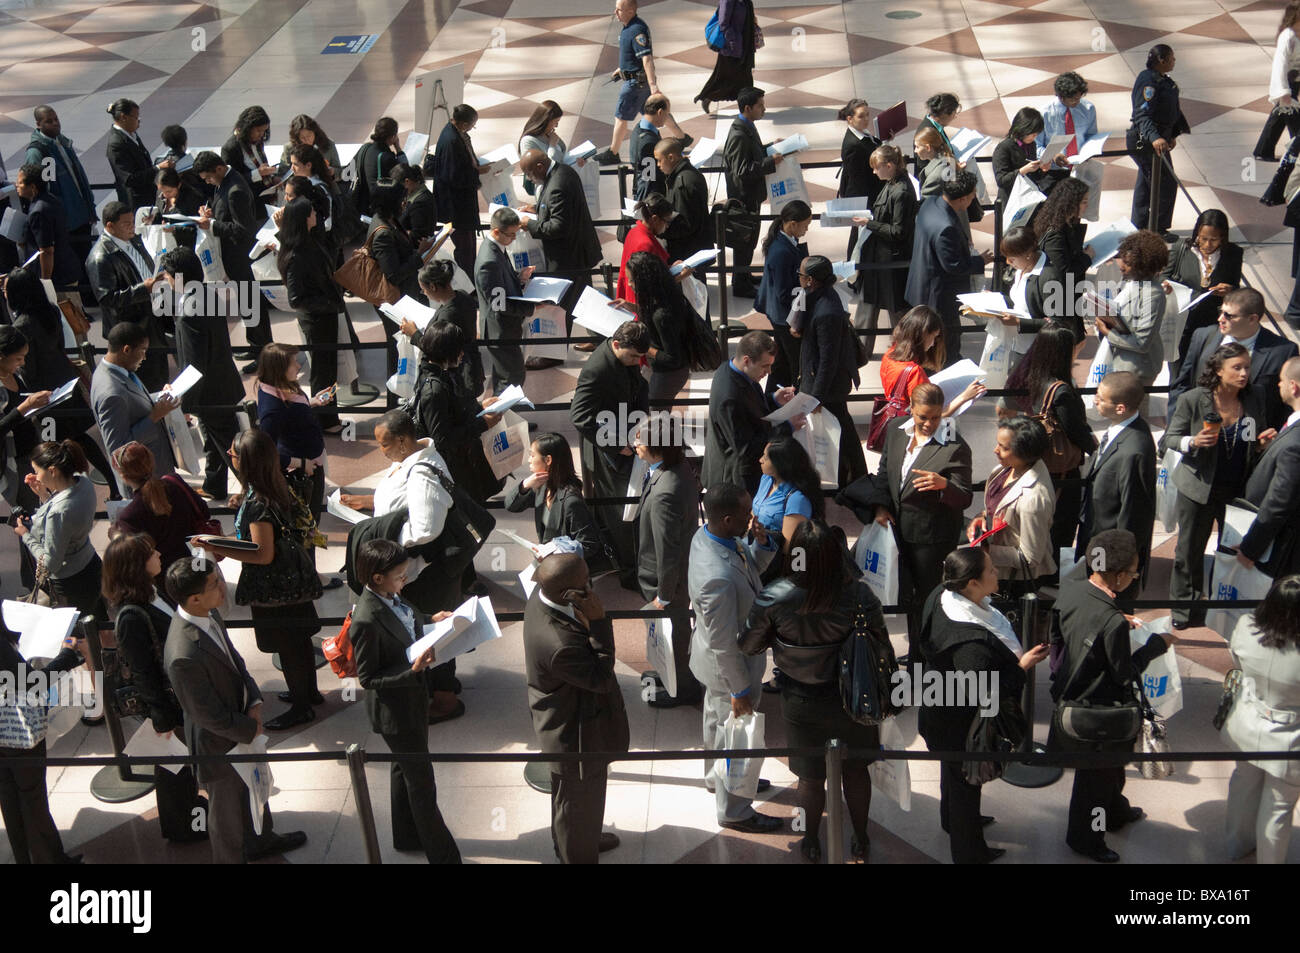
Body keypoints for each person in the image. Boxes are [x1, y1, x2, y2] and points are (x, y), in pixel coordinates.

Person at [741, 520, 886, 862]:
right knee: (855, 770)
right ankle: (861, 837)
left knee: (809, 776)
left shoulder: (774, 595)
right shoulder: (859, 595)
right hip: (854, 697)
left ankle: (810, 839)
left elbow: (748, 645)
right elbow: (879, 641)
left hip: (799, 700)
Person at [163, 557, 307, 864]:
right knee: (226, 819)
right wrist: (249, 728)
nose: (222, 588)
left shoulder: (209, 614)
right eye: (215, 584)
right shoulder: (182, 654)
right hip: (219, 746)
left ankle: (262, 840)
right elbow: (207, 715)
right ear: (194, 598)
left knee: (256, 791)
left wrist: (254, 699)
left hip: (241, 724)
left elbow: (234, 660)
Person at [1050, 528, 1175, 863]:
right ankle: (1088, 839)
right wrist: (1155, 647)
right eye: (1133, 573)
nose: (1134, 577)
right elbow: (1123, 672)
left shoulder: (1073, 590)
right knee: (1096, 782)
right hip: (1099, 712)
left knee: (1109, 771)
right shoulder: (1112, 623)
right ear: (1119, 576)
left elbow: (1059, 637)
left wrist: (1114, 618)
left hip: (1069, 695)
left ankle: (1116, 812)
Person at [920, 545, 1047, 864]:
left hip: (939, 711)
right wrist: (1022, 667)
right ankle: (970, 852)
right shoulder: (970, 643)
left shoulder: (942, 593)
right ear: (972, 583)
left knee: (953, 776)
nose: (996, 573)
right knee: (966, 785)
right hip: (960, 727)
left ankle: (952, 821)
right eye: (990, 570)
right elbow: (982, 691)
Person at [191, 430, 323, 731]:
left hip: (275, 588)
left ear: (247, 462)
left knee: (288, 646)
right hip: (295, 581)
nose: (228, 453)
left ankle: (302, 708)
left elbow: (262, 554)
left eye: (234, 453)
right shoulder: (278, 484)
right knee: (299, 641)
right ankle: (309, 693)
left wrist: (216, 545)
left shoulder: (258, 504)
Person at [338, 410, 465, 721]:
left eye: (383, 444)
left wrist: (385, 540)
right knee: (422, 626)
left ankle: (444, 697)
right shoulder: (408, 461)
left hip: (423, 573)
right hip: (412, 569)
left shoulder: (422, 472)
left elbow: (425, 528)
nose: (380, 451)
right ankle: (431, 685)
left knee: (432, 630)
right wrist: (368, 505)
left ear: (402, 441)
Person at [839, 383, 973, 661]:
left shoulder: (955, 445)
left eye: (936, 417)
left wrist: (944, 485)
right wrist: (879, 507)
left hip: (931, 540)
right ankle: (916, 654)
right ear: (911, 408)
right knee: (907, 599)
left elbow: (964, 497)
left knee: (926, 600)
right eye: (923, 416)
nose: (929, 423)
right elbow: (885, 473)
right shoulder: (897, 430)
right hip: (897, 531)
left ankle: (924, 659)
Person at [350, 539, 462, 863]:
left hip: (412, 703)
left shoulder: (391, 596)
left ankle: (406, 835)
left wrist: (431, 619)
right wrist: (412, 671)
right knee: (422, 786)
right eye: (400, 575)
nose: (406, 579)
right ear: (377, 578)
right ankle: (444, 856)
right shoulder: (366, 620)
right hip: (396, 714)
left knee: (403, 769)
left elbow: (407, 621)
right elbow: (368, 679)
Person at [101, 533, 208, 843]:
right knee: (172, 765)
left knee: (179, 762)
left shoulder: (150, 592)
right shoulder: (131, 615)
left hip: (174, 696)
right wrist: (161, 716)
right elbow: (142, 671)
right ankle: (180, 826)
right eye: (150, 553)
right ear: (136, 565)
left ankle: (188, 812)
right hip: (164, 702)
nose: (159, 553)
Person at [523, 552, 629, 862]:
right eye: (586, 584)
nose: (592, 588)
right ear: (567, 593)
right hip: (573, 731)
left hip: (574, 717)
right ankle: (577, 853)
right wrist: (598, 621)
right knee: (576, 800)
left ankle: (585, 838)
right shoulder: (559, 644)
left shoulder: (542, 594)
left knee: (583, 797)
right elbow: (601, 677)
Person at [688, 483, 782, 832]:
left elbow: (750, 571)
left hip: (714, 665)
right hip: (730, 668)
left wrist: (762, 543)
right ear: (727, 519)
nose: (751, 518)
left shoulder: (711, 536)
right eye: (746, 514)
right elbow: (723, 643)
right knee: (737, 734)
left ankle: (718, 778)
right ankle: (736, 810)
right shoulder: (717, 577)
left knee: (716, 724)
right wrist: (740, 691)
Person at [1161, 343, 1261, 629]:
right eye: (1237, 368)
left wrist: (1262, 443)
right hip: (1197, 487)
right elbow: (1169, 439)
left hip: (1236, 489)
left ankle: (1221, 608)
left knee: (1230, 551)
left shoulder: (1254, 399)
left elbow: (1253, 435)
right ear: (1218, 371)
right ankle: (1183, 611)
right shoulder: (1194, 399)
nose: (1243, 374)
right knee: (1189, 551)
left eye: (1246, 368)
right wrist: (1192, 442)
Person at [4, 269, 114, 487]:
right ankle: (111, 481)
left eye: (6, 289)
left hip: (45, 398)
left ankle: (67, 487)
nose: (4, 293)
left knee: (52, 445)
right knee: (79, 437)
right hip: (65, 383)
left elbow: (28, 368)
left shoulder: (22, 326)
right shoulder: (51, 311)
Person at [1222, 575, 1300, 862]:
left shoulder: (1246, 626)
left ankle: (1237, 847)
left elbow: (1236, 661)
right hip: (1291, 737)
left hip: (1247, 720)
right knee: (1279, 806)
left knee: (1243, 785)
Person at [159, 247, 244, 499]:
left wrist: (184, 400)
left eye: (168, 275)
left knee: (230, 447)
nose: (166, 280)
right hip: (222, 383)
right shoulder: (207, 294)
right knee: (213, 440)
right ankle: (214, 484)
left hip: (210, 394)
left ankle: (256, 491)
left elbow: (194, 365)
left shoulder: (188, 313)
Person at [570, 321, 650, 585]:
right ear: (616, 344)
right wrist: (617, 444)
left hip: (625, 435)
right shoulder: (598, 369)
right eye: (634, 356)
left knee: (627, 508)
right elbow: (580, 416)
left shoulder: (620, 359)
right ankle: (629, 573)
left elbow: (636, 387)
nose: (638, 361)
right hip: (610, 452)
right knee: (621, 513)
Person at [0, 614, 84, 864]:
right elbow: (33, 684)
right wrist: (67, 655)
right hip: (16, 732)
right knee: (31, 797)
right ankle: (49, 859)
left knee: (9, 797)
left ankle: (25, 858)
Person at [1005, 324, 1096, 550]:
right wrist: (1095, 445)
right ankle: (1054, 577)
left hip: (1042, 464)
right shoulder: (1061, 390)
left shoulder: (1036, 379)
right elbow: (1075, 430)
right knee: (1062, 528)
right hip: (1063, 470)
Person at [634, 414, 702, 707]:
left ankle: (683, 688)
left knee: (673, 631)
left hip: (666, 580)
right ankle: (670, 673)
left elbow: (668, 550)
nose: (635, 443)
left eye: (641, 441)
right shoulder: (676, 467)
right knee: (669, 632)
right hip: (675, 573)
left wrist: (664, 593)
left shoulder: (665, 493)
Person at [1170, 288, 1298, 433]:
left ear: (1252, 319)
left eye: (1228, 316)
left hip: (1248, 439)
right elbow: (1182, 385)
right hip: (1200, 434)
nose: (1220, 319)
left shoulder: (1282, 351)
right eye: (1221, 311)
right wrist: (1173, 431)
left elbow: (1286, 405)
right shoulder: (1203, 336)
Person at [408, 320, 503, 507]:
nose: (462, 354)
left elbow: (454, 410)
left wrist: (479, 408)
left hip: (460, 466)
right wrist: (483, 424)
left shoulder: (440, 373)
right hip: (453, 473)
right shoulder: (434, 389)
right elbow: (442, 439)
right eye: (458, 349)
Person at [1076, 372, 1157, 589]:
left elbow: (1132, 512)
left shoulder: (1134, 451)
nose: (1095, 400)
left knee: (1106, 600)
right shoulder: (1121, 430)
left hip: (1110, 548)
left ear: (1120, 408)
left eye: (1101, 398)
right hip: (1095, 533)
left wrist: (1116, 568)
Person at [905, 169, 994, 365]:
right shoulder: (946, 227)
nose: (973, 199)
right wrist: (981, 261)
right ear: (962, 199)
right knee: (945, 341)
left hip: (921, 285)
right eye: (972, 196)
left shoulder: (930, 204)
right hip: (939, 296)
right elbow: (954, 265)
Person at [255, 343, 332, 566]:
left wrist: (313, 401)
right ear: (279, 368)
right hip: (302, 473)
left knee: (310, 524)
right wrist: (299, 463)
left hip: (310, 465)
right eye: (293, 362)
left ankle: (310, 569)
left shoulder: (281, 386)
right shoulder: (272, 409)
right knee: (307, 524)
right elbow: (264, 452)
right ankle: (310, 571)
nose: (299, 365)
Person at [192, 151, 271, 369]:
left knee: (251, 302)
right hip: (233, 256)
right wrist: (210, 213)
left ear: (218, 169)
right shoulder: (225, 182)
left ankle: (263, 352)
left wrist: (213, 225)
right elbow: (223, 209)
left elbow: (244, 230)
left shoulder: (235, 189)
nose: (208, 182)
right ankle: (256, 344)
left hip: (240, 255)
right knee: (247, 302)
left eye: (208, 178)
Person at [796, 255, 867, 485]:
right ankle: (852, 475)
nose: (799, 279)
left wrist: (816, 396)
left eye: (801, 276)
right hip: (823, 380)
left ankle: (855, 476)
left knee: (840, 430)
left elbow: (828, 359)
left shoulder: (827, 311)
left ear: (811, 280)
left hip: (829, 386)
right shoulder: (817, 296)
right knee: (839, 428)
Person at [702, 331, 801, 494]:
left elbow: (748, 407)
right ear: (747, 361)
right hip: (733, 482)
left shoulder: (732, 369)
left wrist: (773, 399)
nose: (769, 372)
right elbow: (746, 449)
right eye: (765, 366)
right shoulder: (729, 398)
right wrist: (787, 427)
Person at [275, 196, 343, 430]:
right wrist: (327, 304)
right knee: (322, 371)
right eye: (312, 211)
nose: (316, 214)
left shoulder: (308, 241)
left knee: (328, 368)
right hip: (317, 318)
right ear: (304, 219)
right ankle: (324, 418)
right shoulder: (295, 255)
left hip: (324, 314)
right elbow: (296, 299)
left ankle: (328, 416)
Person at [17, 440, 106, 618]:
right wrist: (44, 495)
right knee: (99, 623)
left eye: (37, 471)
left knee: (76, 638)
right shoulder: (84, 484)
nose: (36, 476)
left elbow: (51, 563)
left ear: (52, 471)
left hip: (69, 583)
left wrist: (26, 535)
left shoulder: (58, 512)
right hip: (91, 564)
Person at [85, 201, 169, 391]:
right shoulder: (100, 257)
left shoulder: (132, 240)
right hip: (131, 329)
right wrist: (143, 289)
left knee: (160, 372)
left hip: (151, 319)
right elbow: (107, 299)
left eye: (132, 222)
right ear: (109, 226)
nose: (132, 226)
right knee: (146, 379)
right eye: (126, 223)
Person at [967, 416, 1056, 588]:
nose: (995, 450)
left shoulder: (1034, 498)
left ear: (1025, 452)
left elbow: (1030, 558)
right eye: (998, 443)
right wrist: (982, 516)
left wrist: (986, 552)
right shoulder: (1004, 470)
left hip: (1014, 582)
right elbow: (996, 507)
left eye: (1004, 447)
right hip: (994, 571)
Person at [89, 321, 179, 490]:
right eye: (143, 351)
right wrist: (155, 416)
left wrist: (159, 397)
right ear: (126, 350)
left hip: (154, 473)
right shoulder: (111, 394)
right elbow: (118, 448)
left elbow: (135, 403)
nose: (145, 358)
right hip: (143, 483)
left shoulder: (116, 371)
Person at [1236, 357, 1300, 578]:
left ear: (1294, 386)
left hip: (1284, 551)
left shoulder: (1294, 444)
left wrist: (1250, 548)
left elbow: (1279, 503)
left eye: (1282, 380)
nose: (1278, 384)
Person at [112, 441, 215, 578]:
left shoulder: (128, 516)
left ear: (123, 476)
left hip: (169, 578)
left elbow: (135, 559)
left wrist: (116, 536)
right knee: (204, 590)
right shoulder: (174, 481)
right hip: (198, 560)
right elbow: (204, 512)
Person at [505, 432, 607, 566]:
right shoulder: (542, 486)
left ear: (548, 460)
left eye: (532, 455)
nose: (529, 460)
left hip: (566, 570)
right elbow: (511, 506)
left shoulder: (571, 501)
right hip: (551, 564)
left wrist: (554, 550)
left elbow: (589, 543)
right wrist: (525, 484)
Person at [520, 148, 603, 309]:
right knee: (583, 304)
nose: (529, 179)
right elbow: (562, 208)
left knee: (569, 308)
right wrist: (537, 208)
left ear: (540, 167)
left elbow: (558, 227)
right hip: (577, 254)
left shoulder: (557, 185)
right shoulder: (563, 170)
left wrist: (529, 224)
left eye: (529, 174)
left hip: (570, 260)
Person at [1160, 210, 1243, 365]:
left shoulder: (1233, 254)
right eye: (1203, 238)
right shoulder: (1181, 248)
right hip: (1182, 321)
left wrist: (1229, 291)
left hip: (1212, 323)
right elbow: (1163, 276)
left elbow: (1236, 288)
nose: (1207, 244)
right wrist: (1166, 285)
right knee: (1178, 365)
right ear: (1197, 233)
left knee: (1205, 366)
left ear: (1222, 237)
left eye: (1214, 240)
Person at [852, 144, 917, 336]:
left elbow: (898, 231)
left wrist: (869, 223)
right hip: (880, 258)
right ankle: (862, 351)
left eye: (876, 167)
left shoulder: (901, 191)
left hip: (890, 262)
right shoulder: (892, 184)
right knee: (871, 304)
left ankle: (904, 348)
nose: (873, 171)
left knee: (895, 309)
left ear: (889, 165)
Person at [723, 87, 783, 298]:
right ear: (748, 108)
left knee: (749, 242)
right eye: (760, 105)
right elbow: (742, 170)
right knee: (744, 242)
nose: (764, 109)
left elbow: (752, 153)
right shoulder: (739, 134)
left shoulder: (747, 126)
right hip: (744, 199)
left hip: (751, 196)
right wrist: (769, 162)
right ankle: (740, 284)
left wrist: (768, 148)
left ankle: (744, 275)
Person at [1127, 44, 1189, 239]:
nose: (1174, 61)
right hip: (1143, 141)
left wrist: (1171, 135)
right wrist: (1156, 137)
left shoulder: (1163, 80)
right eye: (1171, 58)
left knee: (1147, 181)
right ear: (1161, 60)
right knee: (1165, 183)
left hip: (1157, 140)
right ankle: (1157, 228)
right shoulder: (1149, 82)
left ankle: (1140, 225)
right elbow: (1142, 115)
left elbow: (1170, 110)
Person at [25, 106, 96, 274]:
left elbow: (78, 179)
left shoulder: (62, 143)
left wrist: (89, 208)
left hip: (81, 217)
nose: (55, 124)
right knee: (75, 268)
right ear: (38, 124)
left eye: (56, 119)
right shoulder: (39, 151)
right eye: (49, 121)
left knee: (87, 263)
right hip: (66, 222)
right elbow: (42, 191)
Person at [880, 305, 985, 415]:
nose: (933, 343)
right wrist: (964, 396)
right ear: (923, 335)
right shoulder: (915, 373)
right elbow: (931, 418)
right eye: (933, 337)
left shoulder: (889, 355)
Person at [475, 207, 537, 395]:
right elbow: (499, 304)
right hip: (499, 330)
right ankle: (506, 421)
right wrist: (532, 307)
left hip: (502, 328)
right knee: (512, 378)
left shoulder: (495, 248)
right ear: (496, 231)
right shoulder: (490, 261)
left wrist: (518, 278)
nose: (514, 239)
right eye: (511, 235)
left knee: (506, 377)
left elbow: (499, 287)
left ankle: (508, 421)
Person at [1097, 229, 1169, 386]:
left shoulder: (1153, 294)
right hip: (1120, 362)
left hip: (1136, 370)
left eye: (1128, 264)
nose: (1122, 266)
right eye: (1122, 259)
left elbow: (1142, 342)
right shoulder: (1132, 282)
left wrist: (1108, 333)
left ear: (1143, 266)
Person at [754, 200, 811, 393]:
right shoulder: (781, 252)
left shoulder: (782, 243)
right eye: (805, 226)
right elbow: (783, 293)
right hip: (784, 316)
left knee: (782, 362)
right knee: (794, 362)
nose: (806, 230)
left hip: (779, 314)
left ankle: (772, 399)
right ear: (793, 224)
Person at [596, 0, 661, 164]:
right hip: (635, 80)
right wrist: (621, 68)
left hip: (634, 85)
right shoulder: (628, 28)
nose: (615, 13)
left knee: (621, 116)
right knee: (652, 113)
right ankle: (681, 137)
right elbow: (632, 56)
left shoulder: (636, 30)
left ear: (631, 11)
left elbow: (646, 59)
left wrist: (653, 86)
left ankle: (613, 152)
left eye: (619, 10)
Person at [405, 259, 483, 397]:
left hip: (457, 378)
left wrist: (414, 334)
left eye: (424, 290)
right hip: (471, 367)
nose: (425, 293)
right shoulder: (463, 296)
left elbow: (434, 348)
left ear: (433, 287)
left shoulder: (448, 316)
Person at [622, 249, 692, 401]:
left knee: (658, 419)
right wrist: (631, 306)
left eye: (632, 280)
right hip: (664, 372)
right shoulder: (662, 296)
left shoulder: (662, 315)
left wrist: (643, 347)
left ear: (645, 280)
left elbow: (673, 358)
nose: (628, 283)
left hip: (668, 375)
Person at [1033, 177, 1093, 343]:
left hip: (1066, 298)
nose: (1086, 205)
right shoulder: (1056, 233)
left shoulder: (1066, 223)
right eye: (1083, 202)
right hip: (1058, 300)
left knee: (1078, 341)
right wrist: (1087, 258)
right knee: (1071, 343)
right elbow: (1065, 271)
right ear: (1070, 203)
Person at [431, 105, 487, 276]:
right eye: (472, 124)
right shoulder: (451, 141)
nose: (472, 128)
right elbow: (453, 176)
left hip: (461, 205)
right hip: (456, 206)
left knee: (468, 245)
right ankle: (467, 279)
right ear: (463, 123)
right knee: (465, 246)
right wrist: (476, 173)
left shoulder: (456, 134)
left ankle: (469, 275)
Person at [996, 225, 1064, 350]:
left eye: (1011, 259)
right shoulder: (1021, 268)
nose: (1008, 262)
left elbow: (1058, 323)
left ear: (1027, 255)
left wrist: (1019, 322)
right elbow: (1021, 303)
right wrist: (996, 299)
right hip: (1019, 345)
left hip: (1038, 350)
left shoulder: (1050, 278)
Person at [15, 164, 79, 294]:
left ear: (32, 187)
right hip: (66, 269)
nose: (16, 185)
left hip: (57, 278)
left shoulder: (38, 212)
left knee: (66, 312)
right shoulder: (51, 200)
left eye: (20, 183)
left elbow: (46, 251)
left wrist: (45, 283)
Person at [751, 436, 822, 555]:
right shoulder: (766, 479)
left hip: (773, 560)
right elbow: (754, 511)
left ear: (780, 464)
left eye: (766, 458)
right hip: (755, 550)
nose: (760, 460)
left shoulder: (797, 499)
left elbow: (792, 547)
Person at [837, 98, 884, 261]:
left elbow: (871, 146)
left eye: (867, 115)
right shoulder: (852, 145)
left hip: (867, 193)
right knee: (859, 234)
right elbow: (858, 178)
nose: (866, 120)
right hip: (863, 196)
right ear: (850, 118)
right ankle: (855, 268)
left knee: (860, 233)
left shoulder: (861, 134)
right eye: (861, 116)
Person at [695, 0, 759, 115]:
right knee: (726, 78)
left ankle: (748, 107)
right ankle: (709, 96)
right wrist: (732, 40)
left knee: (745, 77)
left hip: (744, 44)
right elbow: (723, 23)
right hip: (731, 47)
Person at [1254, 3, 1300, 162]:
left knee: (1279, 117)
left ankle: (1263, 150)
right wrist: (1284, 92)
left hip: (1295, 81)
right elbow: (1280, 65)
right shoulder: (1287, 36)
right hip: (1287, 84)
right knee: (1294, 119)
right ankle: (1296, 152)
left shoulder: (1297, 35)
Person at [656, 138, 711, 268]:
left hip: (687, 253)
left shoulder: (683, 182)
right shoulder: (688, 174)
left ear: (671, 157)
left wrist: (660, 230)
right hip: (693, 250)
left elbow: (685, 223)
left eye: (659, 160)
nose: (658, 165)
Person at [991, 107, 1061, 206]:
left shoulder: (1031, 145)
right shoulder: (1004, 148)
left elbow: (1035, 176)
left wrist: (1042, 169)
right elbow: (1001, 180)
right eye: (1032, 134)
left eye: (1036, 134)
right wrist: (1023, 170)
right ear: (1022, 129)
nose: (1034, 137)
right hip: (1010, 201)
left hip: (1028, 199)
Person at [220, 107, 277, 223]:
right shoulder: (231, 148)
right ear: (248, 128)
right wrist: (258, 173)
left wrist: (272, 176)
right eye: (258, 131)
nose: (262, 134)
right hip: (250, 206)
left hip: (266, 200)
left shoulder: (258, 143)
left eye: (264, 131)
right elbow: (230, 181)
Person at [616, 193, 673, 304]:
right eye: (667, 222)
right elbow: (652, 286)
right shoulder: (646, 245)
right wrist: (679, 276)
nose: (667, 226)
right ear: (655, 219)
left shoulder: (634, 232)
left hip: (632, 298)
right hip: (641, 304)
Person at [105, 98, 155, 212]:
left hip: (148, 196)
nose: (139, 121)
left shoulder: (131, 134)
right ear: (124, 117)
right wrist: (156, 169)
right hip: (135, 203)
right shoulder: (116, 143)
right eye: (136, 117)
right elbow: (129, 179)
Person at [1037, 71, 1099, 159]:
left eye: (1079, 97)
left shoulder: (1088, 108)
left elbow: (1091, 135)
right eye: (1073, 99)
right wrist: (1052, 156)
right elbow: (1036, 146)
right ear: (1061, 97)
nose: (1077, 101)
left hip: (1081, 164)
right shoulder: (1044, 114)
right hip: (1054, 167)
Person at [520, 101, 570, 193]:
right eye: (555, 122)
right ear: (546, 121)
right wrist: (552, 146)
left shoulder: (549, 135)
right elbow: (544, 169)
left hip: (562, 182)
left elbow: (562, 154)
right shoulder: (528, 141)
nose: (556, 126)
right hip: (547, 190)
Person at [627, 94, 672, 200]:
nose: (667, 117)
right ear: (660, 112)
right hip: (652, 198)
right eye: (667, 114)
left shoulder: (638, 128)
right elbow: (652, 178)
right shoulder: (649, 143)